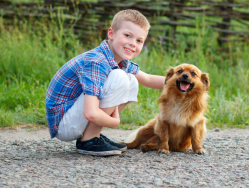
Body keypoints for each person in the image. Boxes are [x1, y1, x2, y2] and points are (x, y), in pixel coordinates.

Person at [45, 9, 165, 156]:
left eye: (139, 41)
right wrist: (114, 122)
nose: (133, 43)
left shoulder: (120, 61)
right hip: (64, 124)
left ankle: (92, 135)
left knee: (131, 80)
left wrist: (193, 82)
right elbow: (90, 112)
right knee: (120, 77)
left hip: (75, 118)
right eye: (127, 35)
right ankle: (88, 140)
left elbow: (148, 79)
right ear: (111, 34)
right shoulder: (97, 61)